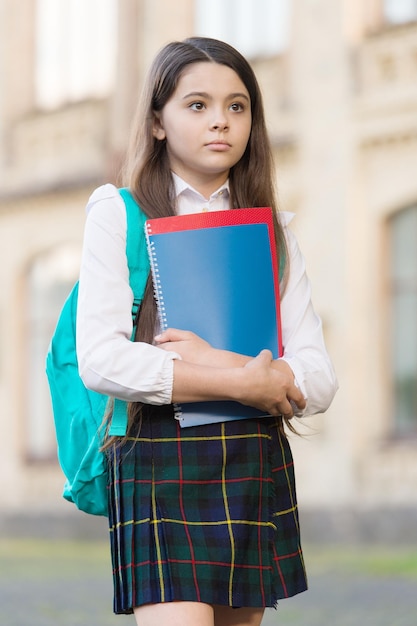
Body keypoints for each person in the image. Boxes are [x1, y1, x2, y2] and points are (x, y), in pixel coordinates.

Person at [76, 37, 338, 626]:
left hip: (249, 456)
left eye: (237, 106)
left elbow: (319, 380)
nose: (221, 120)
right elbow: (100, 360)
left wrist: (221, 363)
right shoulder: (117, 214)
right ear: (158, 121)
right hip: (156, 457)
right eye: (197, 105)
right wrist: (248, 383)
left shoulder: (275, 234)